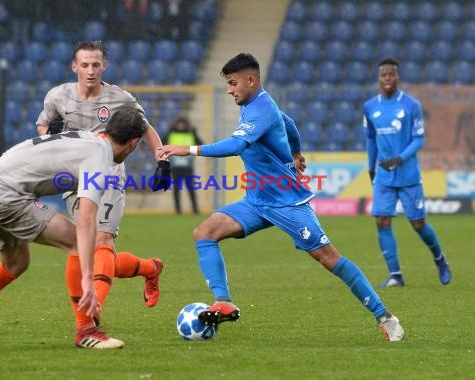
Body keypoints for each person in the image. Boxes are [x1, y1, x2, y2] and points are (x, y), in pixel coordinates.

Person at [157, 53, 405, 342]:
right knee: (204, 233)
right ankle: (223, 301)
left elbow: (237, 144)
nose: (229, 89)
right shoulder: (255, 104)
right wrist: (297, 151)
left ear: (251, 80)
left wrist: (187, 150)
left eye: (233, 83)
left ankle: (385, 317)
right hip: (257, 201)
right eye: (228, 84)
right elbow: (288, 124)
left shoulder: (261, 107)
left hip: (287, 202)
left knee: (328, 258)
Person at [0, 106, 147, 349]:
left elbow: (26, 155)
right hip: (5, 194)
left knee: (15, 264)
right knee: (79, 243)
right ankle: (86, 332)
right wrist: (88, 279)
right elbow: (87, 220)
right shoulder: (100, 160)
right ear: (133, 143)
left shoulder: (87, 138)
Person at [36, 41, 169, 322]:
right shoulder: (58, 96)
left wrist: (162, 159)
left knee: (102, 239)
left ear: (104, 66)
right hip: (73, 178)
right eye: (84, 64)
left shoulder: (119, 98)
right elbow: (43, 127)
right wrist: (50, 132)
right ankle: (149, 268)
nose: (91, 70)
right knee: (93, 249)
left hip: (108, 173)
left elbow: (144, 127)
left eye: (96, 64)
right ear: (74, 67)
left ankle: (92, 312)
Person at [363, 57, 452, 287]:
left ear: (397, 77)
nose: (387, 79)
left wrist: (400, 159)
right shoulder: (370, 106)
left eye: (391, 75)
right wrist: (371, 167)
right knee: (382, 221)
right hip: (384, 175)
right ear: (379, 78)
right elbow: (371, 139)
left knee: (418, 224)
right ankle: (395, 275)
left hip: (407, 174)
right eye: (383, 75)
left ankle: (440, 259)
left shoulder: (411, 105)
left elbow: (419, 139)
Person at [162, 116, 203, 214]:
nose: (181, 126)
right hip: (175, 167)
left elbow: (201, 144)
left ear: (186, 124)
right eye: (179, 123)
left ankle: (195, 210)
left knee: (191, 189)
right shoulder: (171, 134)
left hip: (188, 167)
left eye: (183, 123)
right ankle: (178, 210)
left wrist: (195, 134)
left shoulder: (191, 134)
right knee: (176, 189)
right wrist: (168, 131)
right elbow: (162, 143)